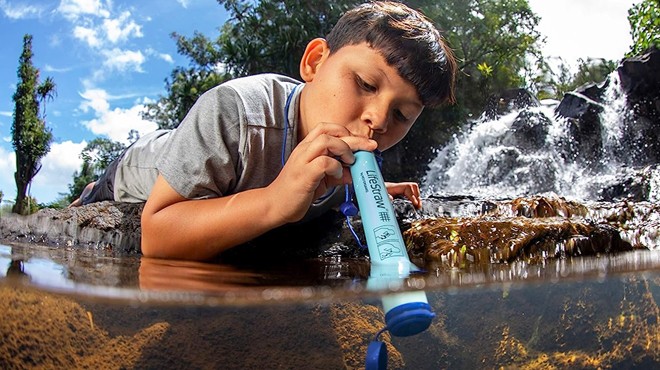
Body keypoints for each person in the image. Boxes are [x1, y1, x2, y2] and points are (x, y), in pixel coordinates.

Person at [72, 1, 457, 261]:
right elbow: (156, 237)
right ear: (315, 62)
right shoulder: (236, 111)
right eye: (366, 84)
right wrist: (274, 202)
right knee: (99, 196)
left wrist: (366, 188)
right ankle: (90, 190)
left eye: (403, 114)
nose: (378, 119)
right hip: (141, 167)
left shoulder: (351, 146)